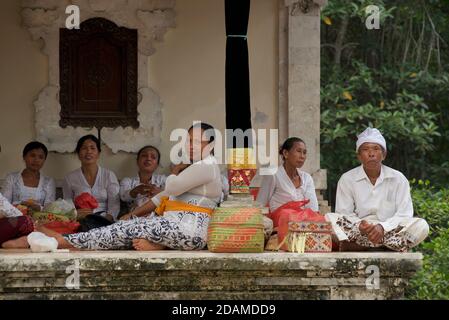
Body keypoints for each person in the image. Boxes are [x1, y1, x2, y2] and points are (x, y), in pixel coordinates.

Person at [2, 122, 222, 251]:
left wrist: (175, 170)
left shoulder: (207, 166)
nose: (190, 145)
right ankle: (52, 239)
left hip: (188, 231)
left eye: (197, 142)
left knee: (120, 231)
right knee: (121, 230)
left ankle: (56, 241)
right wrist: (131, 214)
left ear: (210, 144)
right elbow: (159, 198)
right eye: (188, 140)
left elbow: (171, 186)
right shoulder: (197, 168)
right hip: (172, 227)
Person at [325, 128, 429, 252]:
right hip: (360, 232)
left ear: (383, 155)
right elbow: (344, 213)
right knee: (328, 218)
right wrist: (360, 226)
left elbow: (404, 214)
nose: (371, 153)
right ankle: (388, 245)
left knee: (421, 225)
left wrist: (382, 227)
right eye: (365, 149)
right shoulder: (347, 179)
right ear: (359, 156)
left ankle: (363, 246)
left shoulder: (398, 179)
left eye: (376, 149)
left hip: (389, 231)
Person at [63, 135, 120, 222]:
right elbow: (67, 205)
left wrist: (106, 220)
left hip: (104, 221)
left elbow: (114, 205)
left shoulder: (109, 175)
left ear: (98, 154)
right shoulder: (69, 178)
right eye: (84, 148)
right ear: (78, 154)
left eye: (92, 148)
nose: (88, 151)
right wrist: (75, 215)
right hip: (80, 221)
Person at [256, 137, 319, 213]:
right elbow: (259, 205)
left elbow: (313, 209)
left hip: (302, 223)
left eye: (304, 152)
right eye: (298, 151)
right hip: (281, 221)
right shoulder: (273, 175)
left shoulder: (307, 178)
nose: (302, 156)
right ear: (286, 153)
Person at [2, 141, 55, 212]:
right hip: (14, 219)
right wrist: (19, 205)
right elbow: (3, 204)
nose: (36, 160)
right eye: (32, 155)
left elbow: (50, 209)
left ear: (44, 160)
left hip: (40, 220)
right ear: (24, 157)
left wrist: (38, 207)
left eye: (41, 157)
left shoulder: (48, 182)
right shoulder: (11, 178)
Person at [119, 145, 166, 215]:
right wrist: (136, 190)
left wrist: (159, 192)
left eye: (153, 157)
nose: (148, 159)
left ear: (157, 164)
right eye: (144, 155)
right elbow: (123, 197)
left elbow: (173, 195)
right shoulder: (127, 181)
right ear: (137, 161)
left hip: (157, 219)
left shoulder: (163, 180)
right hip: (134, 219)